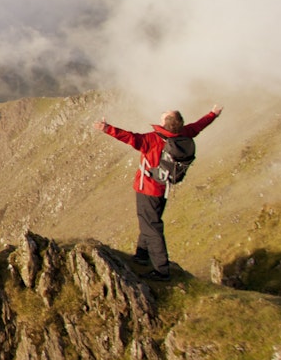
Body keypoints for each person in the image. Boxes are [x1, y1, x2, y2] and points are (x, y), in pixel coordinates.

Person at [93, 105, 222, 280]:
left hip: (147, 188)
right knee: (150, 220)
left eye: (164, 116)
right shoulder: (184, 134)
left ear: (166, 123)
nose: (162, 115)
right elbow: (200, 124)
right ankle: (141, 255)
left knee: (151, 226)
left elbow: (130, 138)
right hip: (164, 188)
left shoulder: (152, 139)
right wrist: (213, 114)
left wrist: (107, 128)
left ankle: (161, 270)